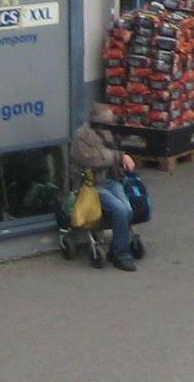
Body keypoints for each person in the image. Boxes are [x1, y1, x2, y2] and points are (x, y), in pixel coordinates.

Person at [69, 103, 141, 272]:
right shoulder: (82, 137)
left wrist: (124, 156)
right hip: (91, 185)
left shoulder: (109, 133)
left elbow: (115, 150)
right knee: (119, 210)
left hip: (109, 180)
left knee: (128, 209)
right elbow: (94, 159)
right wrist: (118, 156)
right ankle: (121, 255)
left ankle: (117, 246)